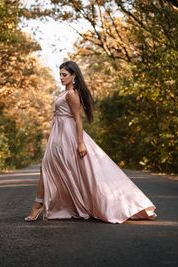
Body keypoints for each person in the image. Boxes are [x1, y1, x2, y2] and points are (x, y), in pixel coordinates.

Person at [24, 60, 157, 224]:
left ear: (73, 76)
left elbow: (78, 120)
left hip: (68, 135)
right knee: (48, 166)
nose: (61, 77)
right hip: (57, 135)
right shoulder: (62, 93)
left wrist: (80, 143)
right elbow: (57, 116)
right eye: (60, 74)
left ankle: (39, 204)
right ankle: (47, 203)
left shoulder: (72, 94)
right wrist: (50, 133)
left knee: (61, 168)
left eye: (64, 75)